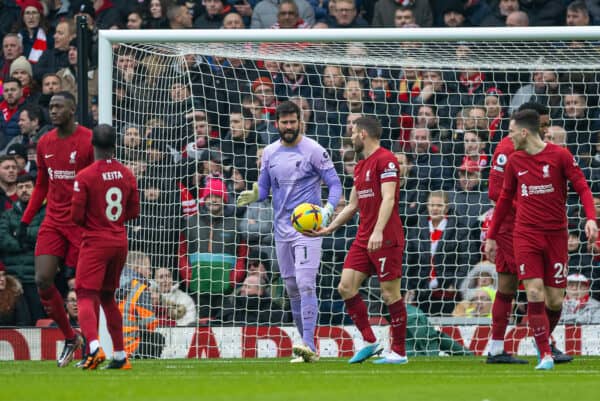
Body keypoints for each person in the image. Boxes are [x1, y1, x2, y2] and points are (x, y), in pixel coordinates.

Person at [485, 109, 598, 371]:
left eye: (512, 131)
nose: (508, 136)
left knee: (555, 300)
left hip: (556, 235)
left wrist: (590, 218)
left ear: (524, 132)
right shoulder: (513, 160)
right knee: (532, 291)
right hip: (525, 234)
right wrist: (491, 235)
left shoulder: (560, 155)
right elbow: (501, 199)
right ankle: (544, 354)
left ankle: (542, 339)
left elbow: (582, 186)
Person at [237, 101, 342, 363]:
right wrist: (253, 195)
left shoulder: (314, 150)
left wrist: (327, 212)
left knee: (306, 283)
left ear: (300, 122)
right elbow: (263, 188)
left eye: (293, 122)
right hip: (281, 229)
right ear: (277, 124)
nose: (289, 126)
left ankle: (308, 344)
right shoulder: (270, 153)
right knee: (292, 288)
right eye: (284, 122)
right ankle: (307, 347)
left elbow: (336, 185)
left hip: (308, 229)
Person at [309, 116, 408, 365]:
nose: (350, 136)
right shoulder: (362, 165)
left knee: (390, 294)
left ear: (362, 134)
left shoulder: (386, 160)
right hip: (364, 237)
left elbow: (388, 199)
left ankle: (399, 352)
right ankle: (370, 341)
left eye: (352, 132)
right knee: (345, 287)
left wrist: (378, 231)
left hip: (385, 237)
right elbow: (353, 205)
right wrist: (329, 227)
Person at [18, 91, 94, 368]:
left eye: (58, 106)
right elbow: (41, 185)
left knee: (85, 288)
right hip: (53, 222)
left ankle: (92, 344)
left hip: (82, 224)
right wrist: (26, 220)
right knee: (42, 279)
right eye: (50, 106)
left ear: (72, 109)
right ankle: (70, 337)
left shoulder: (87, 140)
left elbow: (96, 183)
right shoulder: (44, 142)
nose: (53, 111)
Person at [71, 124, 139, 370]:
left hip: (96, 241)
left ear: (93, 145)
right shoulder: (127, 173)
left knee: (85, 294)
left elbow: (76, 217)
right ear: (115, 145)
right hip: (119, 240)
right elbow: (133, 211)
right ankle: (120, 355)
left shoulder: (85, 176)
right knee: (108, 296)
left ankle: (93, 349)